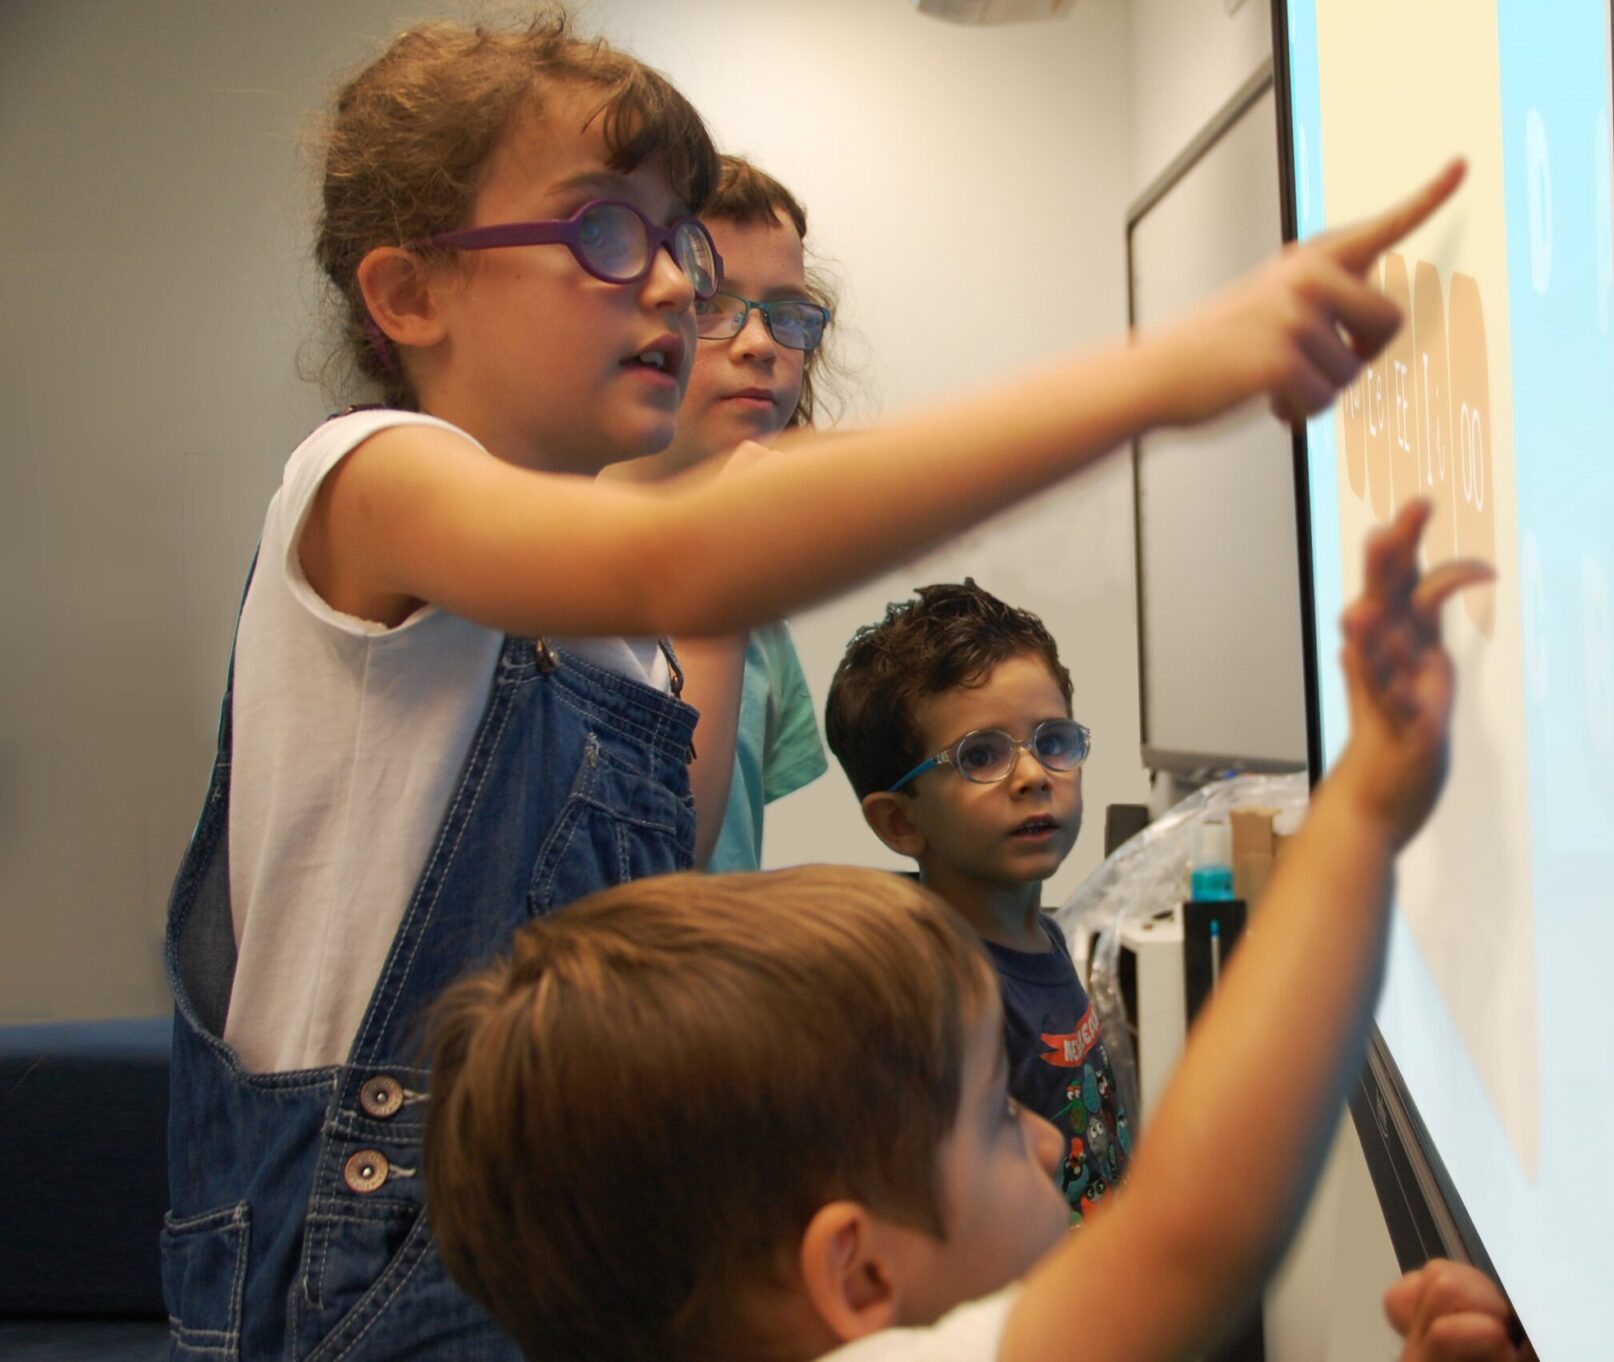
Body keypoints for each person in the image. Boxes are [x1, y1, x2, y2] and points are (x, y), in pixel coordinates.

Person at [159, 7, 1464, 1357]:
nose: (673, 289)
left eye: (677, 244)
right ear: (410, 294)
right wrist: (1162, 378)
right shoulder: (366, 477)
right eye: (605, 232)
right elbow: (678, 558)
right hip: (357, 1269)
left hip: (578, 1258)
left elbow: (665, 889)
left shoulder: (634, 632)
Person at [422, 503, 1524, 1362]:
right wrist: (1366, 803)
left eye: (1052, 741)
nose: (1041, 1141)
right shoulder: (932, 994)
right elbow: (1192, 1237)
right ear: (859, 1279)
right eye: (997, 1123)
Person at [824, 581, 1129, 1220]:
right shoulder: (947, 999)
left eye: (1052, 741)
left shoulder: (1042, 934)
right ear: (900, 822)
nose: (1033, 775)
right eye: (981, 756)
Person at [607, 154, 844, 871]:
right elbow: (660, 858)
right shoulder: (551, 575)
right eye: (710, 303)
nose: (760, 344)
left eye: (788, 314)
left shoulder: (761, 620)